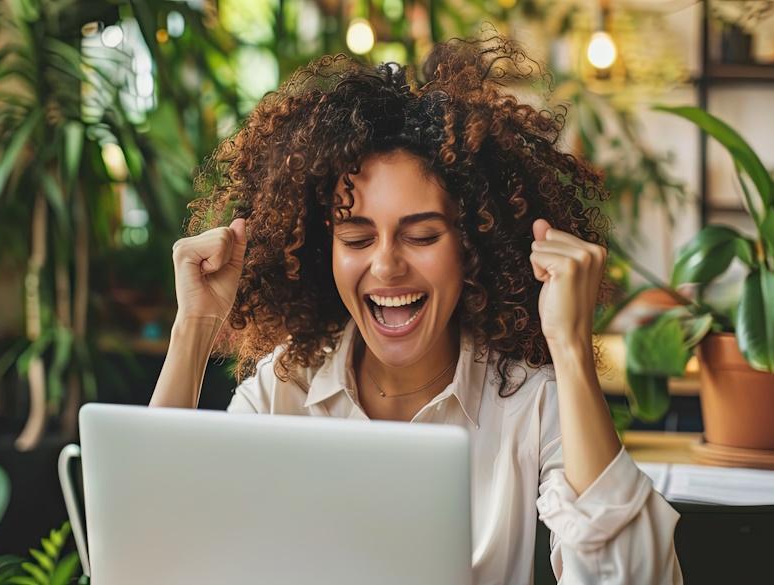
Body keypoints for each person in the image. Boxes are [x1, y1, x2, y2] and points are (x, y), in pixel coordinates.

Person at [149, 36, 682, 585]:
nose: (385, 266)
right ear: (322, 251)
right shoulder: (283, 391)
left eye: (422, 235)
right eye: (356, 239)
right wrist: (195, 327)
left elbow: (637, 579)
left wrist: (570, 350)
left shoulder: (529, 404)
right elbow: (151, 560)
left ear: (472, 245)